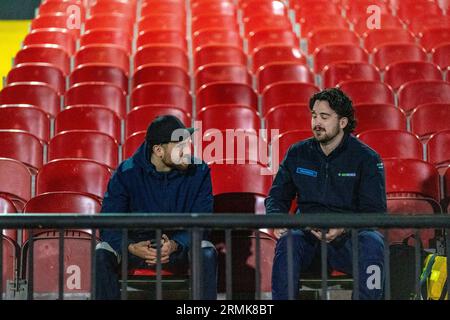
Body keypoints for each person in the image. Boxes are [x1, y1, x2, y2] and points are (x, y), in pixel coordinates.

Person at [266, 88, 387, 300]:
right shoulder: (297, 153)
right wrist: (277, 219)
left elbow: (375, 211)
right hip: (308, 236)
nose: (316, 122)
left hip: (349, 238)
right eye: (314, 115)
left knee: (373, 243)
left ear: (342, 122)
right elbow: (277, 196)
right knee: (288, 242)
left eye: (324, 116)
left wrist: (343, 226)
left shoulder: (366, 158)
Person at [95, 115, 217, 300]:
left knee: (206, 251)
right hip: (136, 247)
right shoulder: (126, 172)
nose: (187, 151)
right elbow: (108, 222)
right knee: (102, 253)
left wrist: (176, 244)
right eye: (180, 146)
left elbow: (203, 221)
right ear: (159, 150)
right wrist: (129, 247)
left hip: (180, 248)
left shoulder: (199, 171)